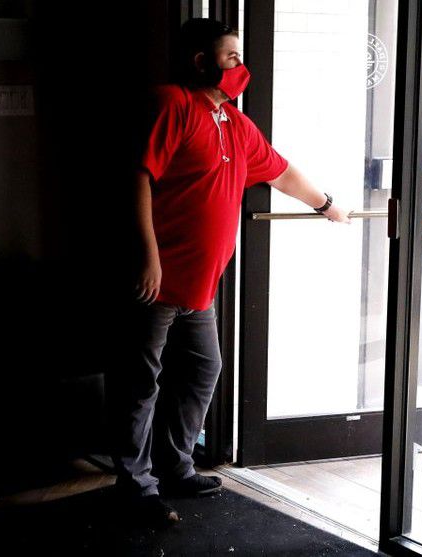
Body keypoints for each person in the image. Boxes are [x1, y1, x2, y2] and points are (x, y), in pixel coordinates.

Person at [113, 18, 351, 526]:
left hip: (199, 287)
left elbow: (282, 172)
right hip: (157, 281)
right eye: (231, 58)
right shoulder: (171, 104)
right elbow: (138, 179)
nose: (240, 67)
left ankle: (175, 467)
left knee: (204, 368)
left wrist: (326, 204)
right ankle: (135, 485)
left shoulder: (235, 125)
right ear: (201, 61)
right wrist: (147, 256)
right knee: (140, 383)